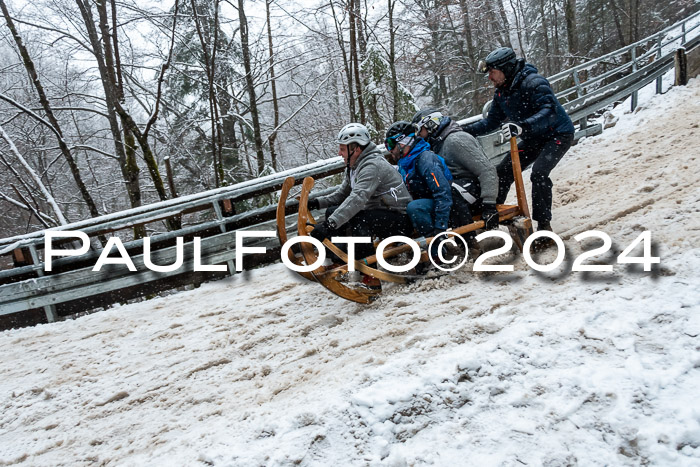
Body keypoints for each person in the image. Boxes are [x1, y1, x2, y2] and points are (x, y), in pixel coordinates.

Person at [462, 47, 575, 240]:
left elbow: (549, 111)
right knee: (503, 171)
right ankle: (491, 219)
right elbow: (491, 122)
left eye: (492, 72)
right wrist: (462, 130)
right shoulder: (502, 92)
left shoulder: (534, 82)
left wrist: (522, 126)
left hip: (557, 135)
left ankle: (544, 226)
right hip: (533, 137)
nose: (489, 77)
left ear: (505, 68)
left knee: (539, 173)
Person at [308, 123, 413, 288]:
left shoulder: (371, 166)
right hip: (380, 213)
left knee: (361, 220)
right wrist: (317, 203)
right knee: (332, 211)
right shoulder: (353, 166)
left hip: (401, 219)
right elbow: (342, 194)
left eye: (342, 149)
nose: (339, 153)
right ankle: (340, 261)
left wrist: (330, 225)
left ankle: (370, 276)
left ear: (355, 149)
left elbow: (358, 198)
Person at [411, 108, 500, 231]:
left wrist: (489, 205)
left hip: (477, 192)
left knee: (448, 191)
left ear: (430, 124)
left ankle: (469, 240)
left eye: (419, 130)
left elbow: (487, 170)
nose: (418, 135)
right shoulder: (437, 143)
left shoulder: (455, 140)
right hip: (461, 192)